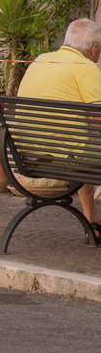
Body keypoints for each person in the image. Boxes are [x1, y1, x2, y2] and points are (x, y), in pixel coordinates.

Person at [16, 18, 101, 238]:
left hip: (28, 157)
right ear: (94, 49)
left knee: (85, 142)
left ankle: (91, 218)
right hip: (66, 160)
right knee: (85, 147)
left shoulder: (40, 60)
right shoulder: (86, 67)